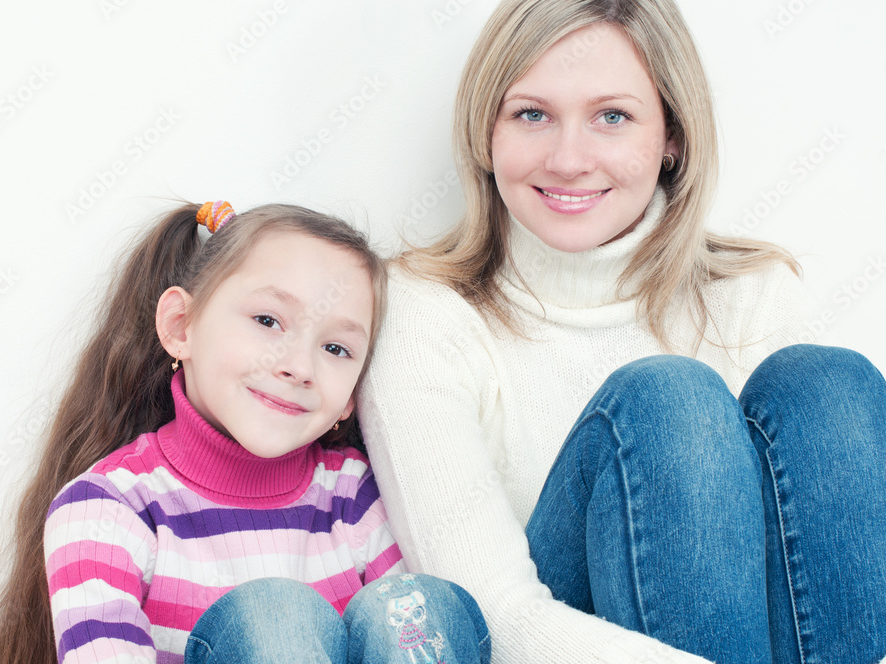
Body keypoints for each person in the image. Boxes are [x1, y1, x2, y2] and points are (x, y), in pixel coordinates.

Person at [358, 1, 886, 664]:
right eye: (531, 114)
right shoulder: (421, 311)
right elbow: (495, 618)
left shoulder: (755, 293)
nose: (569, 159)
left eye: (612, 116)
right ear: (485, 132)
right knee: (671, 403)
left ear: (671, 136)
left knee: (830, 385)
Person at [0, 200, 491, 664]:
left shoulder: (351, 493)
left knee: (418, 605)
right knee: (274, 616)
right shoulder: (107, 508)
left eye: (336, 349)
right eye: (268, 320)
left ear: (353, 396)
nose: (297, 365)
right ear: (181, 326)